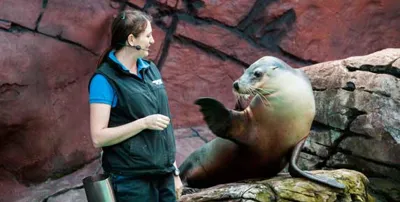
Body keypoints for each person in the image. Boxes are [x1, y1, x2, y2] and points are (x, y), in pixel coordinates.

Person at [88, 10, 182, 202]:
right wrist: (143, 123)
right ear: (131, 40)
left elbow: (164, 126)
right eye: (147, 36)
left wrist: (175, 172)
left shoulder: (151, 69)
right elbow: (98, 137)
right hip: (131, 180)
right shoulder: (103, 80)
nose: (153, 41)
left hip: (164, 176)